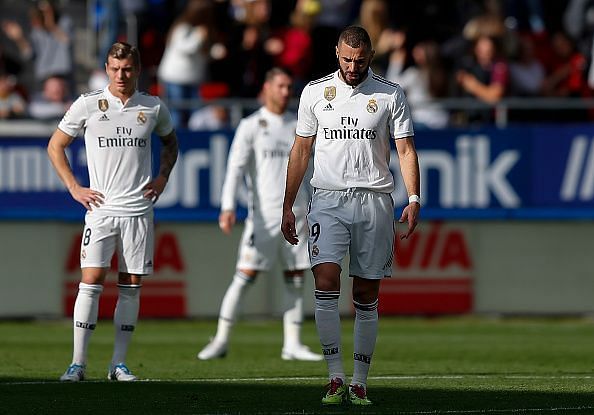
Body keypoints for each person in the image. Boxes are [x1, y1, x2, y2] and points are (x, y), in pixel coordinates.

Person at [281, 26, 420, 406]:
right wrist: (288, 204)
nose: (352, 67)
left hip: (375, 200)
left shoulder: (390, 94)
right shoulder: (314, 92)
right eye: (346, 59)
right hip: (327, 199)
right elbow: (300, 151)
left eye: (359, 60)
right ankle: (334, 377)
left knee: (365, 292)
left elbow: (405, 149)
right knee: (325, 279)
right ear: (336, 54)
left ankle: (359, 380)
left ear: (370, 56)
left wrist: (414, 197)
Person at [47, 42, 178, 382]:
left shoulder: (152, 106)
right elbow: (55, 145)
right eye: (116, 69)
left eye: (128, 69)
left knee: (131, 285)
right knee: (90, 280)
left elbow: (171, 143)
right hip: (101, 210)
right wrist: (74, 187)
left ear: (138, 69)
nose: (122, 75)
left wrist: (162, 177)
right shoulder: (89, 104)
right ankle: (77, 363)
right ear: (106, 68)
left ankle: (117, 364)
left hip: (138, 210)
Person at [197, 67, 322, 362]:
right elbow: (235, 168)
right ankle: (221, 339)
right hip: (264, 217)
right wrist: (228, 206)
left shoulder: (299, 125)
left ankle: (292, 343)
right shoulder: (251, 125)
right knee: (245, 276)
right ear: (266, 88)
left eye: (289, 86)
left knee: (295, 277)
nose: (285, 91)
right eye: (280, 85)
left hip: (298, 214)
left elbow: (312, 171)